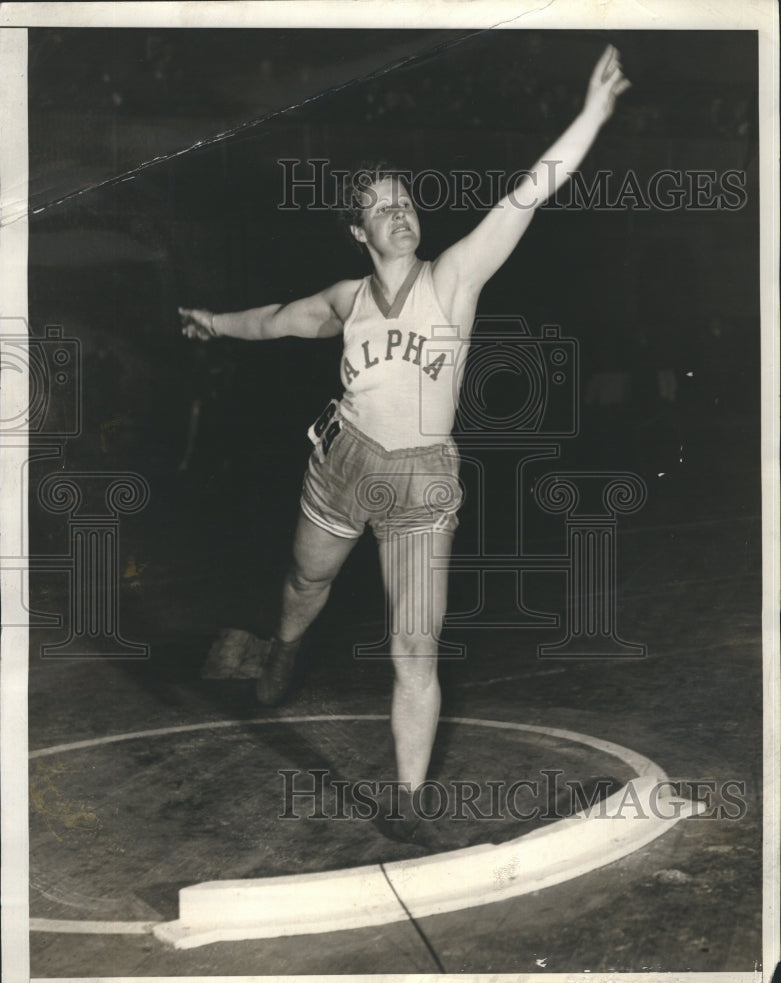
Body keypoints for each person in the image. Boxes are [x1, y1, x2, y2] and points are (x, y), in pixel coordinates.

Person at [180, 45, 630, 845]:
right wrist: (214, 322)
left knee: (413, 648)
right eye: (380, 207)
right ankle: (282, 648)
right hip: (345, 459)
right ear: (359, 230)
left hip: (422, 480)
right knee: (302, 582)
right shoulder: (344, 298)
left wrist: (591, 114)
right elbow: (276, 319)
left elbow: (527, 196)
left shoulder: (455, 276)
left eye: (404, 202)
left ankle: (409, 799)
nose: (399, 212)